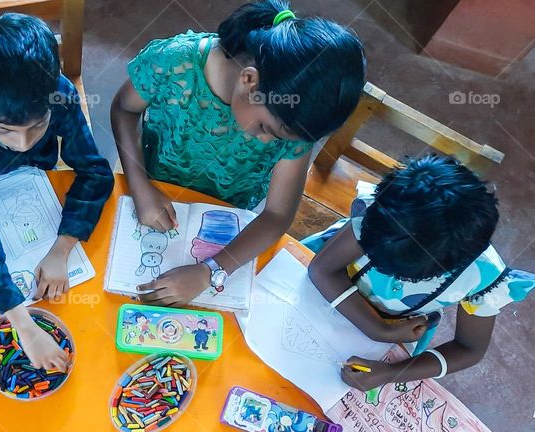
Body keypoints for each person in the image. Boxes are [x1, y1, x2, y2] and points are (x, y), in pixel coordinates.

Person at [111, 0, 365, 306]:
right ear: (249, 80)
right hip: (151, 183)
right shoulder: (174, 62)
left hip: (226, 212)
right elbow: (124, 109)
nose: (268, 143)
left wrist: (210, 271)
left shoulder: (295, 119)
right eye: (266, 128)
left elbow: (277, 214)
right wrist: (140, 185)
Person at [0, 13, 114, 370]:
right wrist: (24, 326)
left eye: (37, 126)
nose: (22, 143)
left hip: (36, 181)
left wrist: (61, 250)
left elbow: (95, 172)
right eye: (4, 129)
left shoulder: (60, 94)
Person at [306, 154, 534, 390]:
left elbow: (469, 349)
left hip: (396, 330)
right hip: (329, 293)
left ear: (450, 266)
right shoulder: (386, 211)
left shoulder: (481, 276)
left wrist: (390, 373)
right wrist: (380, 330)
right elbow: (322, 270)